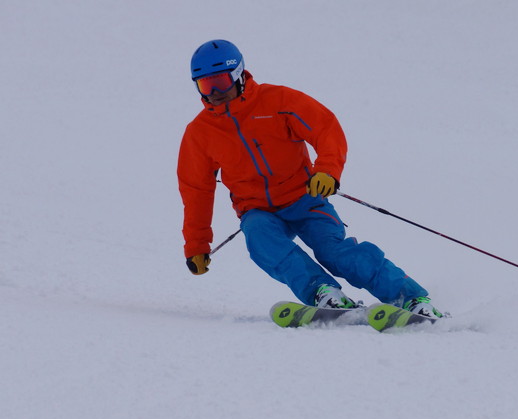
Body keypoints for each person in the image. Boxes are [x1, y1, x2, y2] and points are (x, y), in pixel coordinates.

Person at [177, 39, 443, 318]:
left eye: (220, 81)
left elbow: (325, 129)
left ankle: (410, 298)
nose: (215, 92)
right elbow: (196, 190)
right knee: (259, 237)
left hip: (305, 197)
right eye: (206, 85)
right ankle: (323, 293)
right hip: (257, 210)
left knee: (334, 252)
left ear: (239, 74)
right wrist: (196, 245)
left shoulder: (278, 101)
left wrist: (327, 170)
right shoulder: (200, 133)